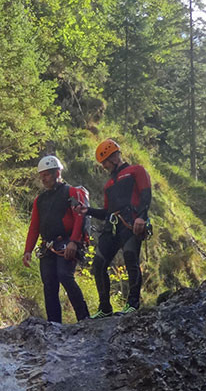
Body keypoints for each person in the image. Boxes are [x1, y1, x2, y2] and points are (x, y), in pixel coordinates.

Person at [73, 138, 151, 317]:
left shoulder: (136, 171)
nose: (104, 166)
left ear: (115, 157)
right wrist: (88, 211)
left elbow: (146, 195)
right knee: (99, 264)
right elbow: (108, 211)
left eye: (105, 162)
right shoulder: (108, 184)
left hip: (131, 223)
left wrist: (141, 218)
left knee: (131, 258)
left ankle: (133, 304)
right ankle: (104, 308)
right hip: (112, 226)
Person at [23, 155, 90, 323]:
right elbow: (34, 227)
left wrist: (74, 241)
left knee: (65, 276)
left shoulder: (71, 192)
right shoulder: (40, 200)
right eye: (42, 175)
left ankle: (84, 319)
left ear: (57, 173)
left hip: (67, 242)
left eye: (47, 174)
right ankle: (54, 324)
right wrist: (28, 250)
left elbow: (79, 218)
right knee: (49, 284)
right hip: (48, 246)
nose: (43, 179)